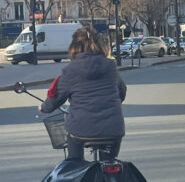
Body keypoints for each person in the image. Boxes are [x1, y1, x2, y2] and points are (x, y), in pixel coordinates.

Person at [40, 26, 126, 161]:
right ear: (100, 45)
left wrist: (43, 107)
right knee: (109, 161)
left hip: (81, 130)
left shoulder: (69, 71)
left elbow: (55, 100)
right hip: (112, 128)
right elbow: (122, 92)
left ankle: (77, 167)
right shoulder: (111, 66)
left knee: (74, 161)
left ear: (74, 46)